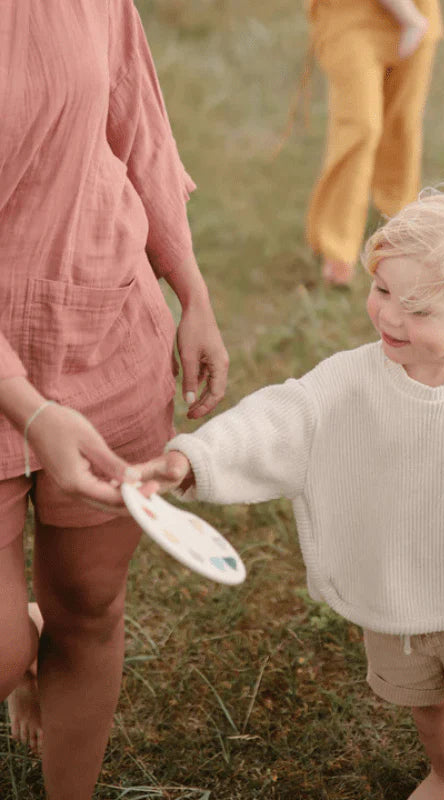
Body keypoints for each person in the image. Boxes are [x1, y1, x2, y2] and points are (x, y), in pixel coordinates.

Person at [140, 178, 444, 800]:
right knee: (427, 701)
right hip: (397, 584)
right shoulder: (351, 382)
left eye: (418, 309)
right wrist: (193, 459)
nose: (389, 314)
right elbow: (283, 418)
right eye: (383, 290)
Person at [0, 3, 229, 799]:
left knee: (91, 606)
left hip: (105, 329)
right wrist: (29, 410)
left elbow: (138, 128)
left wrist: (190, 288)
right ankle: (20, 642)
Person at [305, 0, 444, 285]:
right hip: (350, 15)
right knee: (360, 126)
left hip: (419, 11)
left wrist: (413, 18)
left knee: (402, 126)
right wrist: (408, 16)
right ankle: (337, 244)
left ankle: (400, 225)